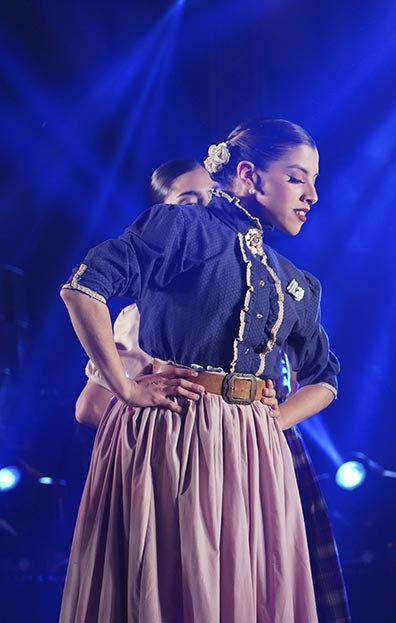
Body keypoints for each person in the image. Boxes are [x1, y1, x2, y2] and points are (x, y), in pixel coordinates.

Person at [59, 119, 338, 622]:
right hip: (176, 431)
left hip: (251, 449)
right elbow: (84, 288)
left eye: (313, 181)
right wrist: (125, 386)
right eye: (298, 178)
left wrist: (267, 423)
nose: (313, 195)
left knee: (241, 587)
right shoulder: (184, 227)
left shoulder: (293, 280)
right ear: (249, 174)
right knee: (176, 586)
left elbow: (324, 378)